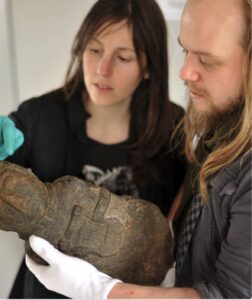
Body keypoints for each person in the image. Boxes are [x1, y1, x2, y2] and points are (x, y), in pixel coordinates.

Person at [25, 0, 251, 298]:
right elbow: (186, 209)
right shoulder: (220, 126)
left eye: (207, 60)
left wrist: (101, 291)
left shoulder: (171, 127)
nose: (185, 72)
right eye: (185, 51)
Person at [0, 0, 186, 298]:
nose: (102, 69)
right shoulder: (39, 118)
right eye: (94, 50)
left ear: (149, 66)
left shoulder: (174, 128)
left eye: (122, 57)